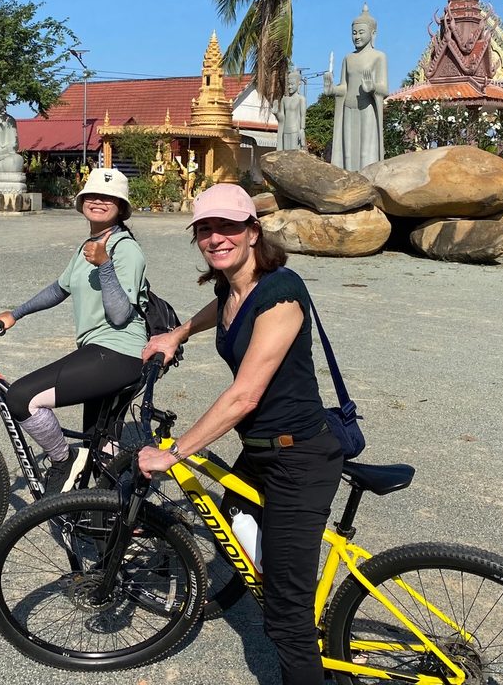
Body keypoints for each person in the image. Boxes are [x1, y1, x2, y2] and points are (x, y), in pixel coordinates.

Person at [138, 183, 346, 685]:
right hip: (261, 451)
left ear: (253, 231)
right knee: (232, 509)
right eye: (206, 229)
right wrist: (178, 332)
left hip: (300, 460)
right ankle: (264, 580)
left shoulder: (281, 293)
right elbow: (224, 311)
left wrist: (177, 452)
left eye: (229, 226)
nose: (216, 237)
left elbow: (244, 396)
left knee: (287, 620)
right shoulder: (232, 288)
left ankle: (290, 599)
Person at [0, 168, 148, 494]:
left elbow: (120, 315)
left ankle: (64, 462)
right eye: (92, 195)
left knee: (21, 397)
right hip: (102, 354)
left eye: (109, 197)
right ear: (81, 203)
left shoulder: (125, 249)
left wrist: (105, 265)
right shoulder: (88, 246)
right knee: (103, 443)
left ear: (120, 207)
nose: (98, 201)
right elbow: (60, 288)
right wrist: (16, 314)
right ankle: (114, 524)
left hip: (118, 353)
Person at [323, 5, 388, 171]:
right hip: (348, 109)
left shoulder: (378, 57)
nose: (357, 36)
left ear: (373, 34)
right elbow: (344, 87)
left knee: (366, 154)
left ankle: (367, 187)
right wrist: (332, 90)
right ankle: (349, 189)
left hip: (366, 109)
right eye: (354, 33)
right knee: (348, 154)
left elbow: (384, 89)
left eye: (361, 32)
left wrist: (373, 87)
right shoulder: (348, 58)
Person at [274, 67, 306, 151]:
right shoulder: (284, 99)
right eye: (288, 84)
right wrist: (276, 112)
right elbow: (282, 118)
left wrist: (302, 129)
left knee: (293, 156)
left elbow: (303, 115)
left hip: (295, 131)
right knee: (284, 155)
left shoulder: (301, 99)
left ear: (299, 84)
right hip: (285, 130)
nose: (290, 87)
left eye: (292, 84)